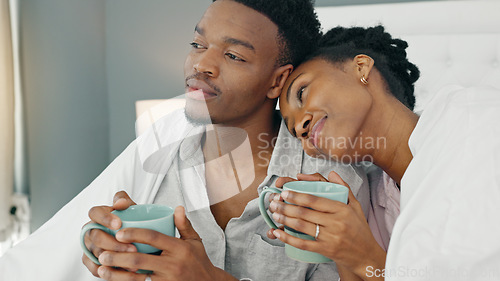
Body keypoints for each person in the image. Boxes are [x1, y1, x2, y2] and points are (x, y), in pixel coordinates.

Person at [0, 1, 372, 281]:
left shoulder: (332, 183)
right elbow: (55, 252)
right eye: (197, 44)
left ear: (277, 81)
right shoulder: (159, 153)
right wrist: (107, 247)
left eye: (232, 55)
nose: (201, 65)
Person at [274, 25, 500, 281]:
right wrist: (342, 250)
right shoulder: (368, 209)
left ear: (360, 67)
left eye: (302, 93)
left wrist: (363, 256)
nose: (302, 128)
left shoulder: (474, 117)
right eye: (295, 132)